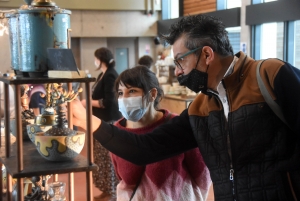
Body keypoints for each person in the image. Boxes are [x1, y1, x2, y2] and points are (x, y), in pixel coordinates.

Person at [71, 14, 300, 201]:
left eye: (181, 61)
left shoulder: (271, 76)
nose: (178, 71)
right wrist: (91, 122)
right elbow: (146, 148)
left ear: (207, 54)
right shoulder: (200, 107)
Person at [111, 65, 211, 200]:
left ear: (152, 94)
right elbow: (124, 179)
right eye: (121, 93)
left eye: (132, 91)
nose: (124, 99)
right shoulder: (117, 132)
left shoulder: (176, 125)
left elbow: (201, 174)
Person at [80, 47, 122, 201]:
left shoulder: (111, 75)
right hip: (100, 120)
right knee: (101, 157)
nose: (95, 61)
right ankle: (106, 190)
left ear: (101, 59)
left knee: (108, 158)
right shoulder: (102, 74)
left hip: (108, 121)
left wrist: (87, 102)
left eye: (96, 58)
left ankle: (112, 192)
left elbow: (109, 101)